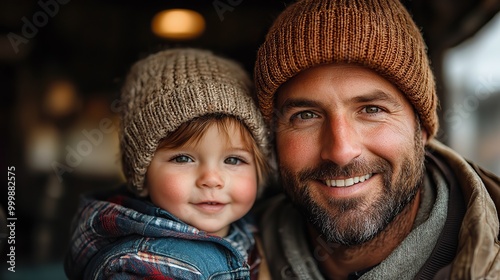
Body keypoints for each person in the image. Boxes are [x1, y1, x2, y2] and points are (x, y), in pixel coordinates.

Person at [252, 0, 500, 279]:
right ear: (272, 139)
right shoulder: (230, 256)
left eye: (372, 110)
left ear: (422, 130)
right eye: (306, 115)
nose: (341, 151)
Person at [64, 48, 271, 279]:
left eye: (233, 160)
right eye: (183, 158)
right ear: (142, 176)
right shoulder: (143, 265)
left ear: (259, 170)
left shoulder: (256, 231)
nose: (212, 179)